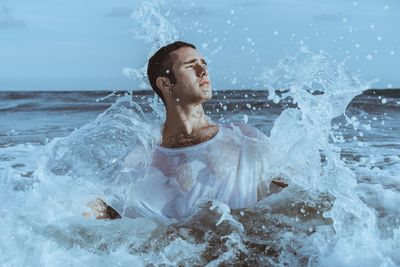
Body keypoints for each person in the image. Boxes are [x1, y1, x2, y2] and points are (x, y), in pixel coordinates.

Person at [83, 41, 287, 221]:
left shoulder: (242, 137)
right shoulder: (144, 159)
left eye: (204, 64)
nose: (203, 71)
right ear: (165, 84)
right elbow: (103, 210)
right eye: (191, 66)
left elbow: (294, 194)